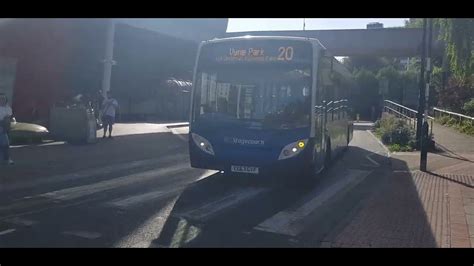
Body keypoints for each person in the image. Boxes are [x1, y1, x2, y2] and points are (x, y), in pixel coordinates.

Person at [0, 93, 14, 165]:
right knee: (4, 143)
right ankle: (6, 159)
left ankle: (6, 159)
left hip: (5, 128)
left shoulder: (8, 108)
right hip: (1, 127)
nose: (2, 100)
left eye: (3, 98)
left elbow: (8, 118)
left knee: (5, 144)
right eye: (1, 98)